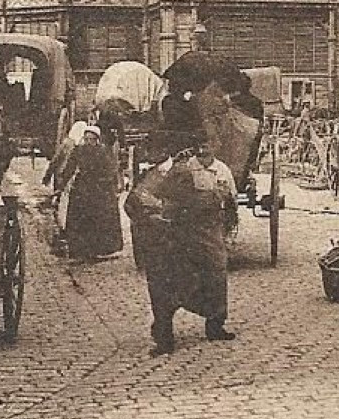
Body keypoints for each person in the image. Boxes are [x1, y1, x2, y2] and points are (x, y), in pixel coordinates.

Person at [126, 136, 237, 355]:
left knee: (204, 278)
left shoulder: (173, 172)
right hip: (165, 242)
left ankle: (208, 326)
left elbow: (190, 204)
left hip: (179, 240)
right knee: (165, 290)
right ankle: (166, 337)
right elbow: (134, 204)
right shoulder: (163, 174)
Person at [63, 125, 123, 261]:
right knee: (80, 220)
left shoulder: (103, 152)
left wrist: (111, 186)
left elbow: (111, 170)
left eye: (92, 139)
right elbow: (69, 167)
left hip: (98, 189)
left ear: (97, 140)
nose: (89, 142)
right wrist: (62, 184)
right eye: (86, 139)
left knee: (97, 220)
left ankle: (97, 250)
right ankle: (80, 251)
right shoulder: (78, 150)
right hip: (82, 189)